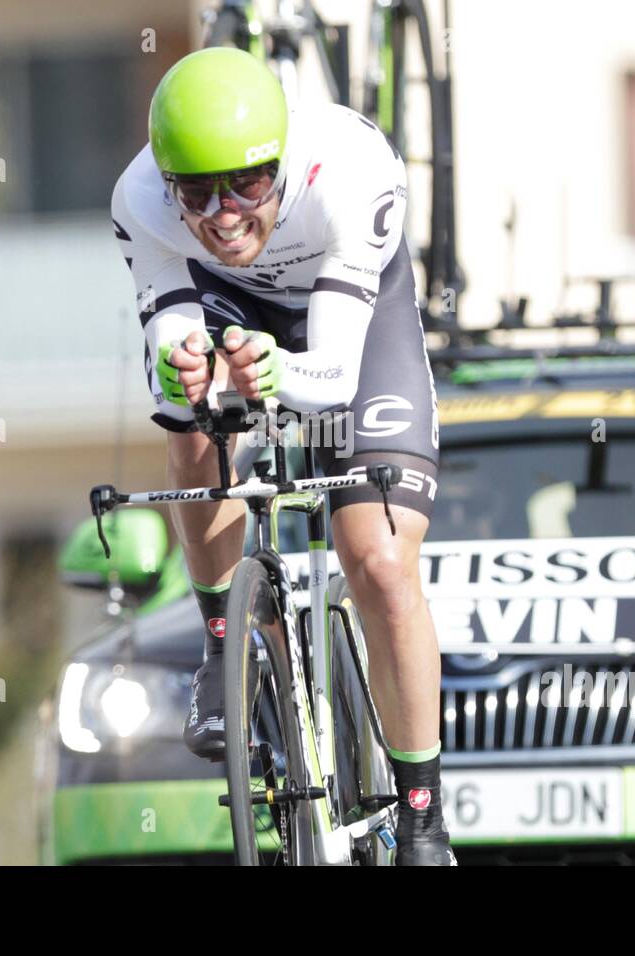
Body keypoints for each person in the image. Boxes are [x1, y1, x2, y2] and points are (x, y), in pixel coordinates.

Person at [111, 47, 453, 865]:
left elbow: (330, 379)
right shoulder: (139, 200)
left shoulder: (352, 169)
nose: (225, 215)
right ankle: (223, 644)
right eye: (198, 193)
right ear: (168, 185)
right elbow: (167, 335)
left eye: (248, 187)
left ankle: (423, 818)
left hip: (353, 318)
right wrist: (178, 365)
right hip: (230, 306)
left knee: (375, 559)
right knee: (190, 423)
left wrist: (276, 369)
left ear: (282, 165)